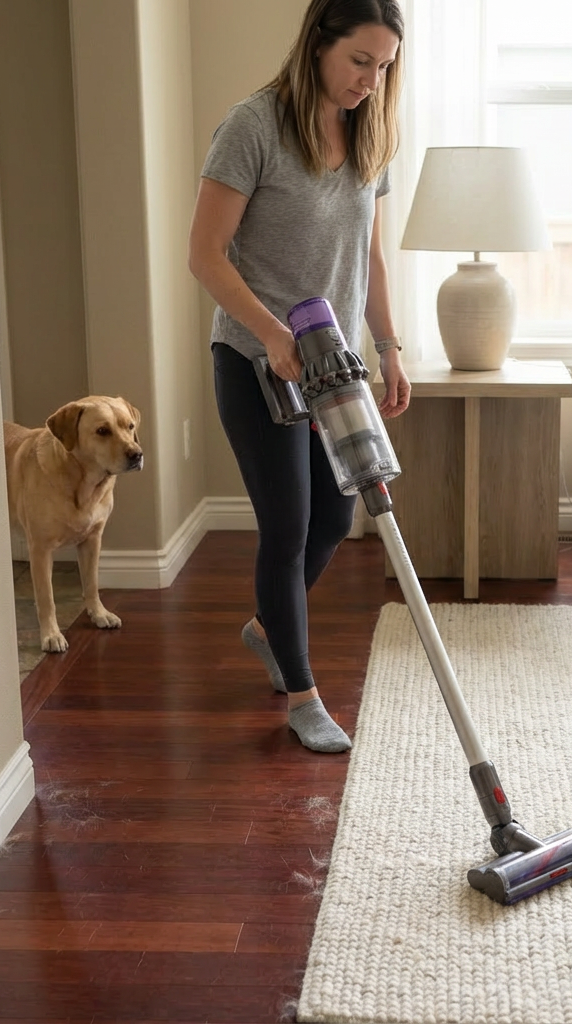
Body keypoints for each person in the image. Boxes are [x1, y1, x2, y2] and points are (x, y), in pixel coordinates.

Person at [188, 0, 410, 754]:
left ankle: (267, 627)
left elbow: (371, 258)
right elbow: (206, 255)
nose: (370, 82)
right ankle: (303, 695)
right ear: (318, 43)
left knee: (333, 519)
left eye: (383, 67)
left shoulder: (371, 134)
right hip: (258, 359)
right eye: (359, 62)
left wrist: (390, 346)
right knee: (286, 526)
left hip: (332, 365)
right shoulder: (252, 127)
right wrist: (272, 334)